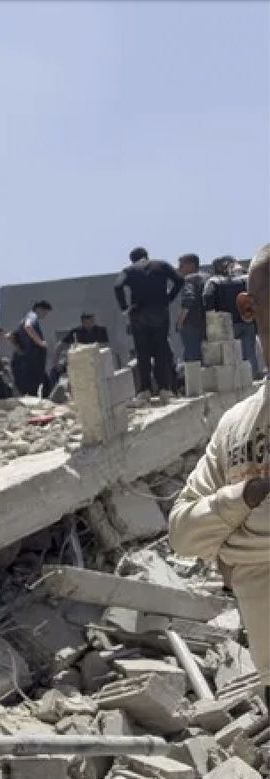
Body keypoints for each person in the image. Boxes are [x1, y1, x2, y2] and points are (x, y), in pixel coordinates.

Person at [169, 244, 269, 694]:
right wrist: (245, 497)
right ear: (248, 307)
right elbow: (183, 534)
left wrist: (237, 544)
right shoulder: (236, 425)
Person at [114, 246, 184, 402]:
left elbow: (117, 286)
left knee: (142, 353)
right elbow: (180, 280)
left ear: (132, 259)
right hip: (160, 312)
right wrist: (168, 299)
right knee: (161, 350)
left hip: (138, 315)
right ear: (146, 255)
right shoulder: (161, 265)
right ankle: (164, 389)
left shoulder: (129, 270)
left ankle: (144, 390)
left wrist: (125, 308)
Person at [206, 256, 264, 378]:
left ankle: (236, 379)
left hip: (225, 325)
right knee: (249, 353)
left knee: (229, 357)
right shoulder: (244, 280)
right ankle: (252, 377)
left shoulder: (213, 282)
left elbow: (208, 300)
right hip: (246, 321)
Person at [10, 301, 53, 399]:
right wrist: (41, 342)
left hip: (25, 363)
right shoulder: (32, 316)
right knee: (42, 389)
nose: (45, 315)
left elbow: (10, 336)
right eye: (45, 312)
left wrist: (20, 350)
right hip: (31, 363)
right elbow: (28, 326)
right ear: (39, 309)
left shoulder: (22, 320)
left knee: (36, 388)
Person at [177, 253, 209, 365]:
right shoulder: (208, 278)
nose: (179, 269)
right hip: (208, 323)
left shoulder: (189, 279)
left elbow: (188, 299)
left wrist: (180, 322)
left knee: (193, 362)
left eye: (181, 266)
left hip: (192, 324)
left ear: (191, 265)